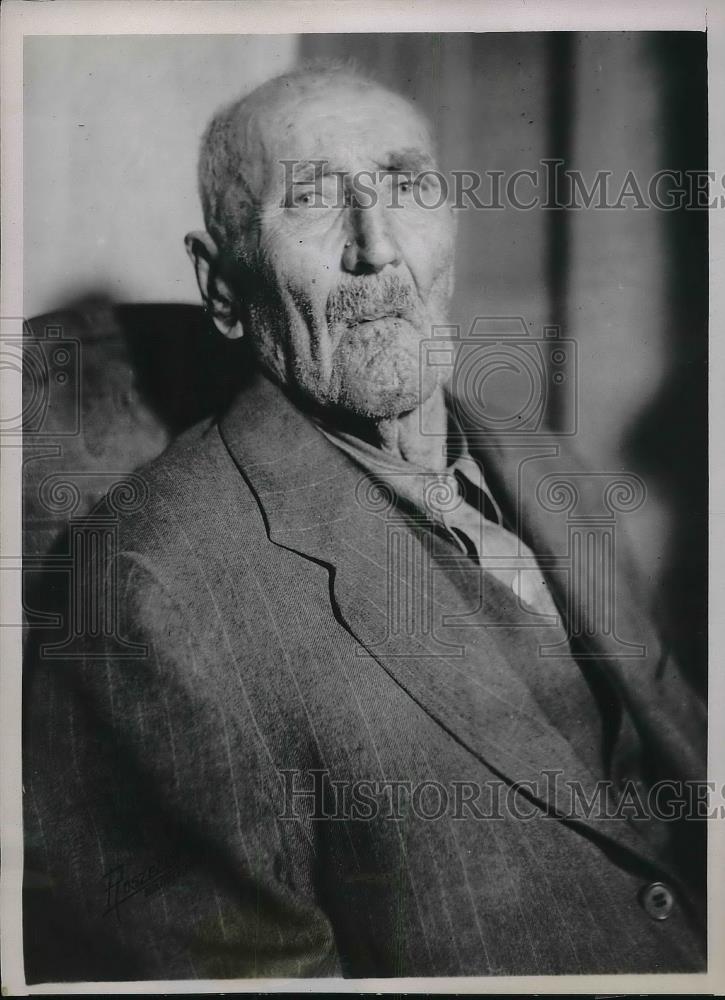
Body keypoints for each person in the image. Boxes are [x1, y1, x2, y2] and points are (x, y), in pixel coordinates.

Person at [23, 63, 706, 982]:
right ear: (221, 285)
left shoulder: (539, 458)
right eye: (310, 199)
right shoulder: (148, 588)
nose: (376, 247)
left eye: (406, 185)